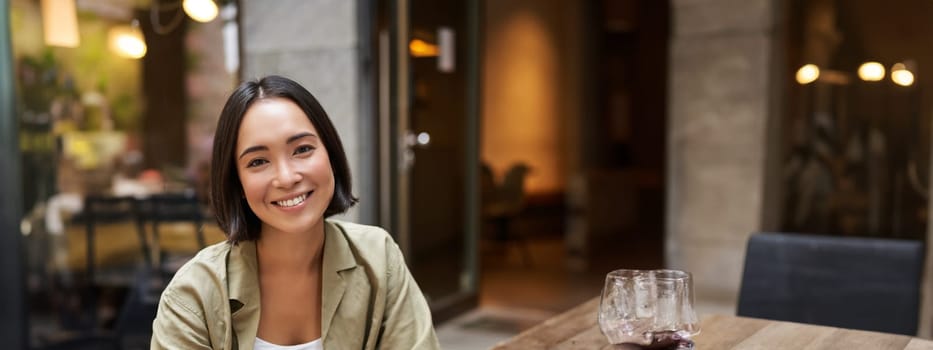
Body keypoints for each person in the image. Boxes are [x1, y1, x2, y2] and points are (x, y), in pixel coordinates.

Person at [151, 75, 440, 349]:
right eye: (258, 162)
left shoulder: (378, 259)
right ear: (236, 182)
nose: (286, 177)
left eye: (302, 149)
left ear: (330, 153)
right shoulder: (194, 294)